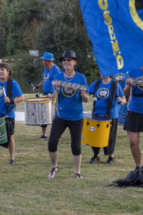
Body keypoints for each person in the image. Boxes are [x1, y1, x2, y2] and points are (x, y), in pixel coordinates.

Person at [47, 51, 88, 179]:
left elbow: (86, 99)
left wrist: (83, 94)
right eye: (64, 60)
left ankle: (77, 172)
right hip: (60, 115)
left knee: (76, 145)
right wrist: (56, 91)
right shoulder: (58, 77)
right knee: (52, 142)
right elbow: (53, 98)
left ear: (74, 62)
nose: (66, 62)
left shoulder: (81, 78)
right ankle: (55, 167)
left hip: (76, 116)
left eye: (69, 60)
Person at [87, 74, 126, 164]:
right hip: (96, 114)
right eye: (100, 71)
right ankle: (96, 155)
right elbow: (87, 92)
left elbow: (124, 99)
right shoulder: (96, 83)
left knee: (109, 137)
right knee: (94, 135)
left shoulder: (115, 85)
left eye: (103, 71)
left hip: (111, 115)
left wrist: (120, 101)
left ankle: (111, 156)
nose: (100, 73)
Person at [33, 52, 60, 140]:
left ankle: (57, 134)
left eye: (43, 60)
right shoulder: (46, 70)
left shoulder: (56, 69)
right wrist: (37, 86)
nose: (42, 61)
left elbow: (58, 83)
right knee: (43, 113)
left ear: (47, 61)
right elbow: (44, 80)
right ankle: (44, 134)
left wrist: (52, 94)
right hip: (45, 94)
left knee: (55, 114)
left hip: (54, 94)